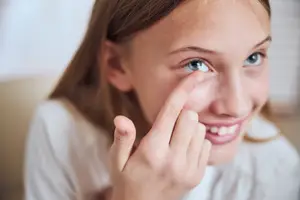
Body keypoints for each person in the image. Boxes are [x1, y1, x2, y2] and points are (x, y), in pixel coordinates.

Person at [24, 0, 300, 199]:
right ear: (118, 65)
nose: (236, 106)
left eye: (254, 57)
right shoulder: (60, 130)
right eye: (196, 64)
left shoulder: (276, 170)